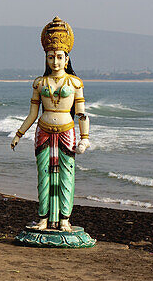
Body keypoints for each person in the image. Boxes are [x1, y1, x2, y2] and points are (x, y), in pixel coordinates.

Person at [10, 17, 92, 232]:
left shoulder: (75, 83)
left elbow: (81, 114)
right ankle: (43, 219)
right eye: (50, 57)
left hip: (66, 132)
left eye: (58, 57)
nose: (55, 62)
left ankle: (64, 219)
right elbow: (32, 114)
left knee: (67, 175)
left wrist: (85, 139)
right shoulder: (39, 83)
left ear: (67, 59)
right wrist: (19, 134)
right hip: (43, 132)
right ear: (45, 59)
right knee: (44, 177)